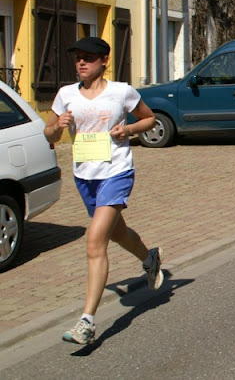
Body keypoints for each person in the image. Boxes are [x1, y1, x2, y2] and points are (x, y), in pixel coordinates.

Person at [44, 37, 164, 345]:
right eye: (78, 58)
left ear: (104, 61)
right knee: (117, 233)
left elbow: (149, 118)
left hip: (116, 172)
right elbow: (49, 134)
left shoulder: (121, 91)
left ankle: (87, 321)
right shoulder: (66, 94)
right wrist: (58, 126)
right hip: (85, 177)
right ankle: (150, 258)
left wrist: (128, 129)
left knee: (95, 241)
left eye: (89, 57)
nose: (81, 62)